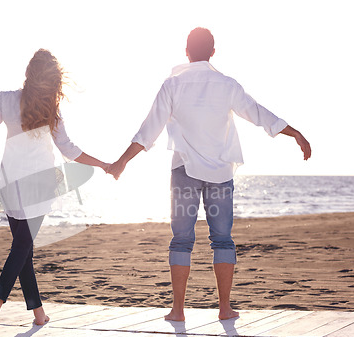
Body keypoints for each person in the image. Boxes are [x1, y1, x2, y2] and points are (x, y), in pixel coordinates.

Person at [107, 28, 311, 321]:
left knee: (181, 240)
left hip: (184, 172)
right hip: (219, 173)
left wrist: (122, 161)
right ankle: (225, 308)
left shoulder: (173, 85)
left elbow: (148, 131)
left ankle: (178, 311)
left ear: (186, 52)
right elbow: (259, 114)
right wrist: (295, 133)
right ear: (213, 52)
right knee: (223, 240)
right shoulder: (226, 84)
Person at [0, 49, 109, 330]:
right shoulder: (52, 110)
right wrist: (103, 164)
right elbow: (68, 150)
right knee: (23, 245)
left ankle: (38, 312)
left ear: (29, 74)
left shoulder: (7, 99)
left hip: (10, 183)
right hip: (40, 186)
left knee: (23, 247)